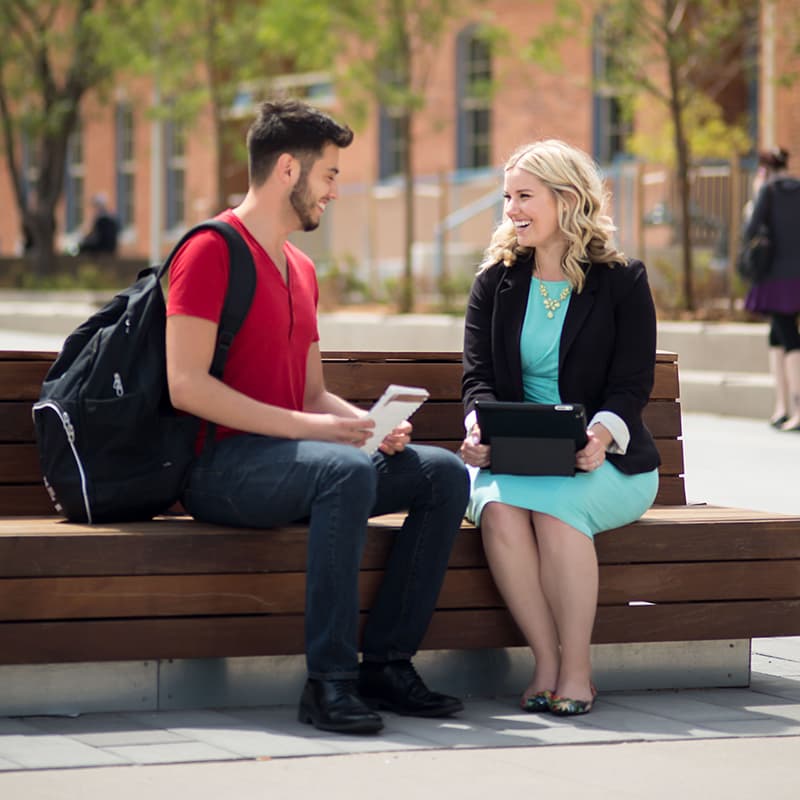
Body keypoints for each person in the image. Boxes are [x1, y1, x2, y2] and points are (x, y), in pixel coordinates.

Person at [165, 99, 469, 735]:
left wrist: (365, 424)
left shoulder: (301, 269)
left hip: (299, 464)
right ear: (286, 170)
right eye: (329, 174)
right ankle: (330, 682)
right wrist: (326, 436)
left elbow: (310, 393)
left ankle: (385, 664)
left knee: (440, 474)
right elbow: (186, 386)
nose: (335, 189)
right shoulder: (209, 251)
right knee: (343, 473)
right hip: (221, 470)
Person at [460, 140, 660, 717]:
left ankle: (578, 671)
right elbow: (477, 380)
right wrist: (478, 431)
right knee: (498, 508)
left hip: (606, 462)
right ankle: (545, 661)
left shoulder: (622, 280)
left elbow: (631, 383)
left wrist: (599, 437)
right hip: (514, 458)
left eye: (525, 196)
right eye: (507, 198)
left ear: (567, 200)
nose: (511, 210)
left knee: (554, 511)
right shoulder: (494, 282)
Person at [742, 147, 800, 431]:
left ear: (763, 170)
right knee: (777, 335)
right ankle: (782, 407)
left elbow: (750, 231)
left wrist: (754, 199)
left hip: (777, 278)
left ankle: (797, 408)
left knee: (788, 336)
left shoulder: (768, 192)